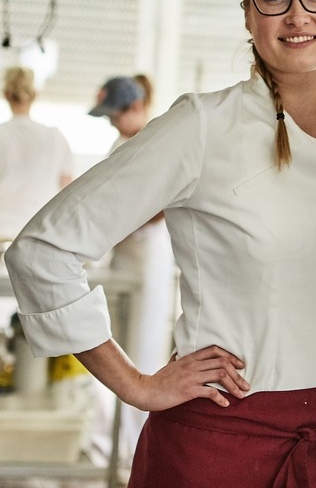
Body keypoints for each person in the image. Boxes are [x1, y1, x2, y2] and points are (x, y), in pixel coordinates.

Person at [5, 0, 316, 488]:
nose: (297, 14)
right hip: (218, 447)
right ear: (247, 14)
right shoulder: (203, 126)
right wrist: (138, 385)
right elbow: (43, 251)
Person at [84, 73, 177, 471]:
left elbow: (164, 202)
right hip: (125, 259)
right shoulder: (121, 144)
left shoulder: (155, 142)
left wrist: (123, 220)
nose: (109, 122)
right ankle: (118, 446)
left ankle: (139, 451)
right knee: (120, 352)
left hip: (148, 260)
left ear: (135, 108)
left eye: (113, 114)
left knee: (143, 356)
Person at [0, 65, 74, 242]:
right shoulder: (56, 138)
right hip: (39, 233)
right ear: (34, 95)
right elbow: (68, 191)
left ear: (6, 94)